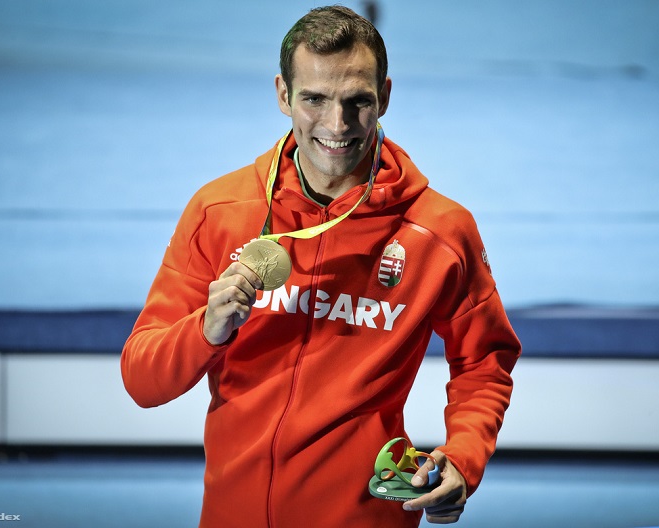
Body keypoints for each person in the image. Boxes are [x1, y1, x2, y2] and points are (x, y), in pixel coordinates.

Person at [121, 5, 521, 527]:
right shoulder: (219, 212)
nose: (337, 125)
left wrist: (463, 459)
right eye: (314, 98)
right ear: (283, 95)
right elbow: (143, 382)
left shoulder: (440, 232)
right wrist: (205, 331)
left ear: (386, 97)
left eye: (358, 101)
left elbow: (484, 362)